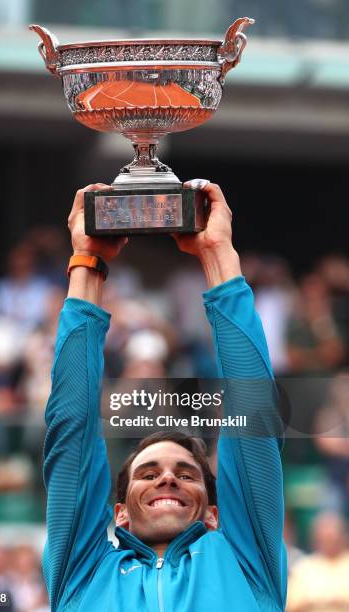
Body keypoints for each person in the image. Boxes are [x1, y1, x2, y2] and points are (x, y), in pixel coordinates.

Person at [42, 181, 287, 611]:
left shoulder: (246, 564)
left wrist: (218, 254)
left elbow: (254, 416)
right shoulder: (82, 575)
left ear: (213, 514)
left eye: (187, 474)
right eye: (149, 472)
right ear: (119, 514)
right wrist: (85, 257)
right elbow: (72, 431)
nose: (167, 478)